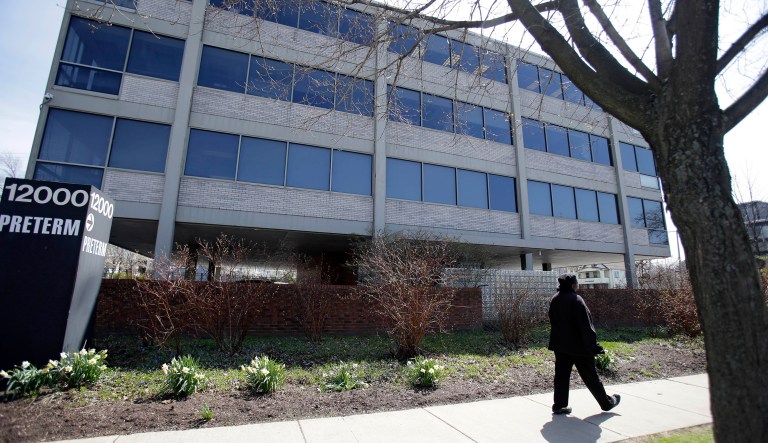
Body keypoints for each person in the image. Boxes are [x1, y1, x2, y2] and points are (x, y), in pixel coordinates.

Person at [548, 273, 620, 415]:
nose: (578, 285)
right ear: (572, 285)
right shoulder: (577, 300)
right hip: (580, 347)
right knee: (591, 376)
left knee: (561, 376)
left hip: (560, 346)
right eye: (576, 283)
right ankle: (606, 403)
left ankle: (559, 405)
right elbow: (586, 326)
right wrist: (594, 346)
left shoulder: (554, 299)